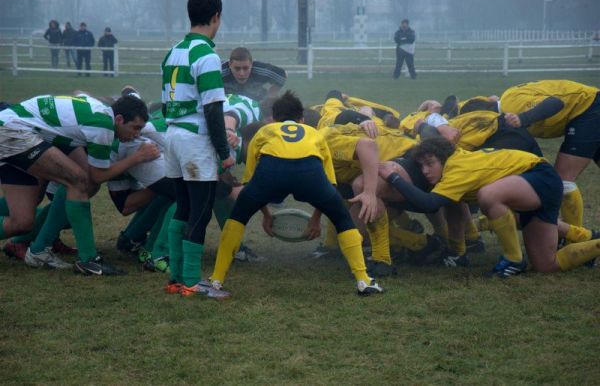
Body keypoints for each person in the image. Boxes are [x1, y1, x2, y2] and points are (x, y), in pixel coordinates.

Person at [206, 91, 384, 297]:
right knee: (342, 219)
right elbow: (329, 183)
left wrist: (265, 214)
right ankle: (363, 280)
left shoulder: (265, 131)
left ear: (273, 119)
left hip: (272, 171)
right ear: (302, 119)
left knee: (237, 218)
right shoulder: (313, 133)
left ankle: (217, 280)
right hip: (309, 173)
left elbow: (251, 181)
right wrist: (317, 218)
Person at [379, 137, 600, 277]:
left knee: (489, 195)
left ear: (444, 159)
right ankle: (592, 243)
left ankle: (513, 260)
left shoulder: (457, 169)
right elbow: (452, 211)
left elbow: (430, 204)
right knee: (546, 265)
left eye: (430, 163)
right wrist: (457, 252)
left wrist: (394, 178)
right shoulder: (452, 172)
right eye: (421, 166)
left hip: (538, 175)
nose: (425, 171)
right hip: (531, 183)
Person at [0, 93, 153, 275]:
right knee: (79, 181)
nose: (137, 135)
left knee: (22, 222)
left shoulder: (100, 112)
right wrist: (137, 158)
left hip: (16, 127)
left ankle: (40, 249)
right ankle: (88, 260)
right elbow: (98, 176)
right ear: (119, 119)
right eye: (135, 128)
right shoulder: (103, 125)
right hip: (13, 130)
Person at [161, 0, 234, 299]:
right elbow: (213, 108)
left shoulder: (173, 51)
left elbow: (165, 104)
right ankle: (191, 280)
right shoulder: (207, 55)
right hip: (194, 139)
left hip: (172, 136)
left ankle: (177, 277)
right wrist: (225, 152)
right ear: (216, 16)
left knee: (183, 207)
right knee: (200, 212)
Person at [499, 80, 600, 229]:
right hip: (588, 107)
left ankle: (575, 239)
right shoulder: (506, 110)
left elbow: (554, 102)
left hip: (588, 108)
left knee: (564, 181)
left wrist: (523, 119)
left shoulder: (512, 106)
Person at [221, 47, 287, 102]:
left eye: (246, 68)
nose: (242, 73)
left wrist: (271, 94)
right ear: (230, 64)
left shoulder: (260, 70)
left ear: (251, 64)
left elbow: (282, 75)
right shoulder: (220, 73)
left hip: (258, 104)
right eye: (237, 69)